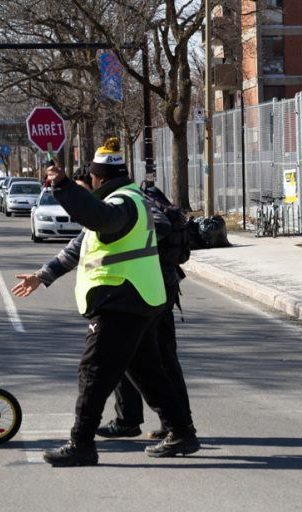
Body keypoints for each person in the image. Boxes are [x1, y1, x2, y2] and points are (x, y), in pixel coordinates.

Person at [11, 137, 199, 466]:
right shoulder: (133, 199)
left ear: (99, 178)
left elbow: (98, 218)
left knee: (93, 372)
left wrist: (66, 187)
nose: (92, 185)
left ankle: (81, 442)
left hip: (120, 300)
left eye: (92, 180)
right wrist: (42, 276)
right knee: (146, 370)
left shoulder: (122, 203)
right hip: (136, 297)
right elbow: (79, 245)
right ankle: (180, 431)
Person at [96, 183, 195, 440]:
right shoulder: (125, 200)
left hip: (154, 286)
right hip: (155, 285)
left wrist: (132, 241)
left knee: (152, 357)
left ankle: (176, 423)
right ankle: (139, 419)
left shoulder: (131, 201)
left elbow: (161, 225)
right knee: (141, 355)